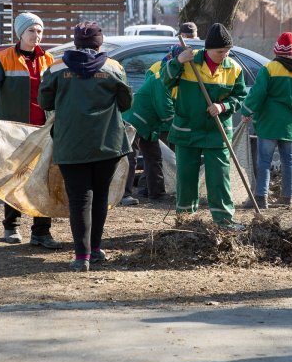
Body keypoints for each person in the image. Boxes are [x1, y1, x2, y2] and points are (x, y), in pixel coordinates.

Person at [38, 21, 133, 272]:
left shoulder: (56, 67)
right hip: (108, 143)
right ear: (99, 43)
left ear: (76, 43)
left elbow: (44, 99)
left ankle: (82, 257)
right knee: (100, 195)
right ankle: (96, 248)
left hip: (71, 143)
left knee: (80, 199)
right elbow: (125, 103)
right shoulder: (113, 68)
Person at [0, 12, 63, 249]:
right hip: (13, 133)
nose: (36, 35)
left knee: (44, 180)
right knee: (14, 179)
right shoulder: (3, 59)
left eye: (39, 31)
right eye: (32, 31)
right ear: (20, 33)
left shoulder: (49, 60)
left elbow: (58, 91)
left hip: (42, 131)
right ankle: (12, 226)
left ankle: (41, 232)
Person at [159, 23, 247, 227]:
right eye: (220, 51)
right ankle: (185, 220)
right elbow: (165, 81)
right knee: (187, 178)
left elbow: (240, 96)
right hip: (187, 129)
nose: (224, 55)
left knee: (219, 178)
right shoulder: (189, 61)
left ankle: (224, 220)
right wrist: (178, 61)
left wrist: (223, 106)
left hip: (218, 132)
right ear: (208, 49)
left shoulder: (233, 69)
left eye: (227, 51)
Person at [241, 32, 292, 209]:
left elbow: (258, 93)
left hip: (268, 124)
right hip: (289, 126)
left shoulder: (269, 69)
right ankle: (287, 198)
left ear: (277, 51)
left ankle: (261, 198)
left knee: (264, 161)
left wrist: (247, 111)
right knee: (288, 161)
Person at [122, 44, 183, 201]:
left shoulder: (173, 81)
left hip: (149, 126)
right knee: (130, 157)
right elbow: (166, 111)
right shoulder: (160, 80)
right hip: (133, 122)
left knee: (154, 157)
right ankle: (124, 195)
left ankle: (157, 194)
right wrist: (180, 128)